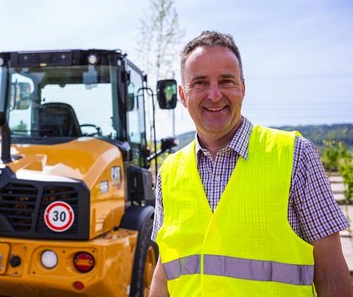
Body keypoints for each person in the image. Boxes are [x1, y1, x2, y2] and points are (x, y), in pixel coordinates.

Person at [150, 30, 353, 296]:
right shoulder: (169, 172)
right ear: (183, 95)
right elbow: (166, 270)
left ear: (243, 89)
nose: (214, 95)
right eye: (200, 83)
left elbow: (331, 273)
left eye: (226, 81)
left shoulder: (295, 156)